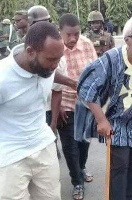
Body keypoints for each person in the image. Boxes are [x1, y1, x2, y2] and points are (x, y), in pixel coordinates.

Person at [75, 15, 132, 200]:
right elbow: (85, 87)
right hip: (115, 124)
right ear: (127, 40)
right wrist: (101, 120)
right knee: (120, 167)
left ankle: (130, 197)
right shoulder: (111, 60)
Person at [0, 21, 63, 200]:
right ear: (30, 52)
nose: (55, 65)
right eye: (52, 60)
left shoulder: (45, 67)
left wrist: (72, 82)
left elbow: (52, 74)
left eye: (59, 58)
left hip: (43, 147)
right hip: (9, 157)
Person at [53, 13, 97, 200]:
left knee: (84, 141)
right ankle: (77, 181)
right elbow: (48, 79)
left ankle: (81, 167)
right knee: (70, 145)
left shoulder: (86, 44)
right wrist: (58, 105)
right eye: (68, 35)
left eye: (76, 34)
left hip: (86, 103)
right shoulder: (53, 47)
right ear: (59, 31)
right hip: (64, 104)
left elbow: (96, 71)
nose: (72, 39)